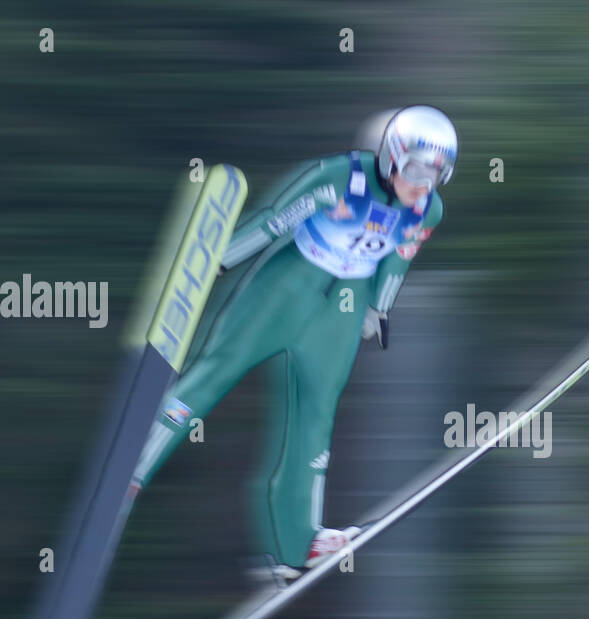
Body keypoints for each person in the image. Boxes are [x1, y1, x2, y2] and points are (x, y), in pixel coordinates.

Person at [129, 106, 456, 585]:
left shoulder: (428, 209)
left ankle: (297, 544)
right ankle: (135, 466)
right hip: (289, 283)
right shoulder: (339, 178)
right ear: (391, 158)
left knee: (315, 418)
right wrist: (218, 262)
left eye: (437, 175)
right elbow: (276, 220)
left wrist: (378, 309)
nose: (422, 185)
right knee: (219, 368)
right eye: (415, 171)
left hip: (342, 305)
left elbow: (400, 259)